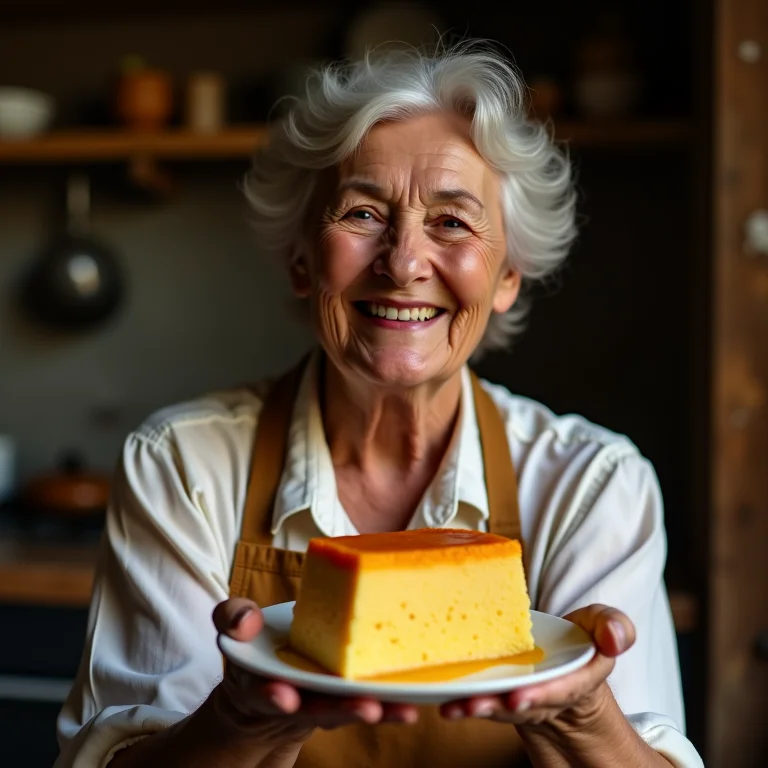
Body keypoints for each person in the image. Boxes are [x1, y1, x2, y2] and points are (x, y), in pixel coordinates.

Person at [55, 44, 703, 767]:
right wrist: (241, 719)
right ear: (303, 259)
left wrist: (582, 718)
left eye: (452, 223)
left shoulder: (592, 485)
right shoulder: (184, 465)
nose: (402, 263)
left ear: (509, 275)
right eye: (363, 213)